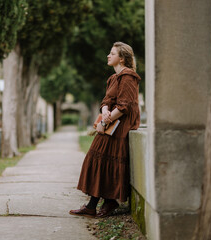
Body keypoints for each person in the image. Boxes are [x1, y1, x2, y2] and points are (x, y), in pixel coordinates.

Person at [69, 42, 141, 218]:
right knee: (96, 159)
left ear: (122, 58)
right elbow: (106, 101)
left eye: (112, 53)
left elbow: (125, 105)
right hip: (110, 126)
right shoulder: (113, 78)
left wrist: (108, 118)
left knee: (106, 162)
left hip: (121, 128)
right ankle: (100, 204)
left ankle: (101, 203)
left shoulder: (129, 77)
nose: (108, 56)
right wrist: (104, 112)